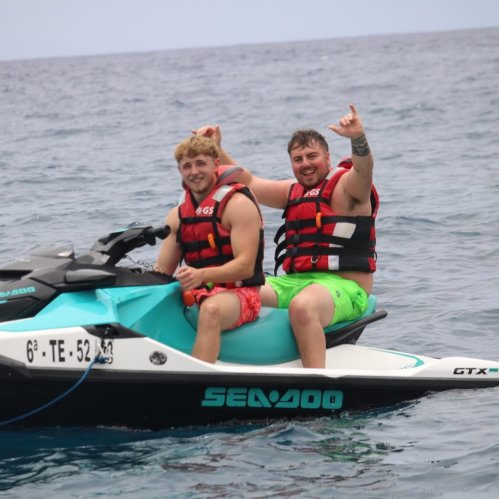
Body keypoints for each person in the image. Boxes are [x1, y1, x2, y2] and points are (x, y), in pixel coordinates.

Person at [194, 104, 378, 368]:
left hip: (347, 288)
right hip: (293, 283)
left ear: (327, 157)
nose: (305, 164)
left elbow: (364, 169)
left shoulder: (349, 188)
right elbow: (249, 183)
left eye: (311, 156)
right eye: (298, 159)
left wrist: (357, 138)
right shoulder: (292, 191)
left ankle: (316, 381)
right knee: (229, 290)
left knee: (303, 306)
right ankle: (209, 366)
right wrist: (216, 148)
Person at [154, 135, 265, 363]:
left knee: (211, 310)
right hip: (197, 291)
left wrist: (201, 275)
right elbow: (162, 272)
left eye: (200, 164)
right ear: (179, 170)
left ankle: (197, 378)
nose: (194, 172)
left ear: (216, 165)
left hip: (242, 294)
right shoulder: (177, 215)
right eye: (187, 166)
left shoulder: (239, 206)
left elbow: (245, 267)